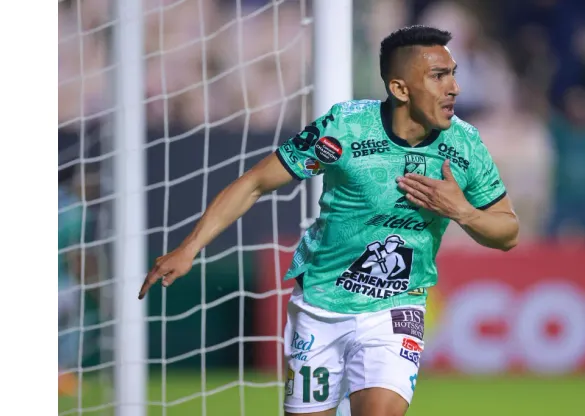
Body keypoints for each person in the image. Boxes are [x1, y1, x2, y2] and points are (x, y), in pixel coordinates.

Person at [138, 25, 519, 416]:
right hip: (321, 305)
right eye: (439, 76)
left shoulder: (465, 144)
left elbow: (507, 231)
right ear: (401, 89)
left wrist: (463, 212)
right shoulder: (345, 128)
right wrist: (188, 249)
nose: (454, 87)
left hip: (395, 309)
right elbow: (254, 184)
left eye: (453, 73)